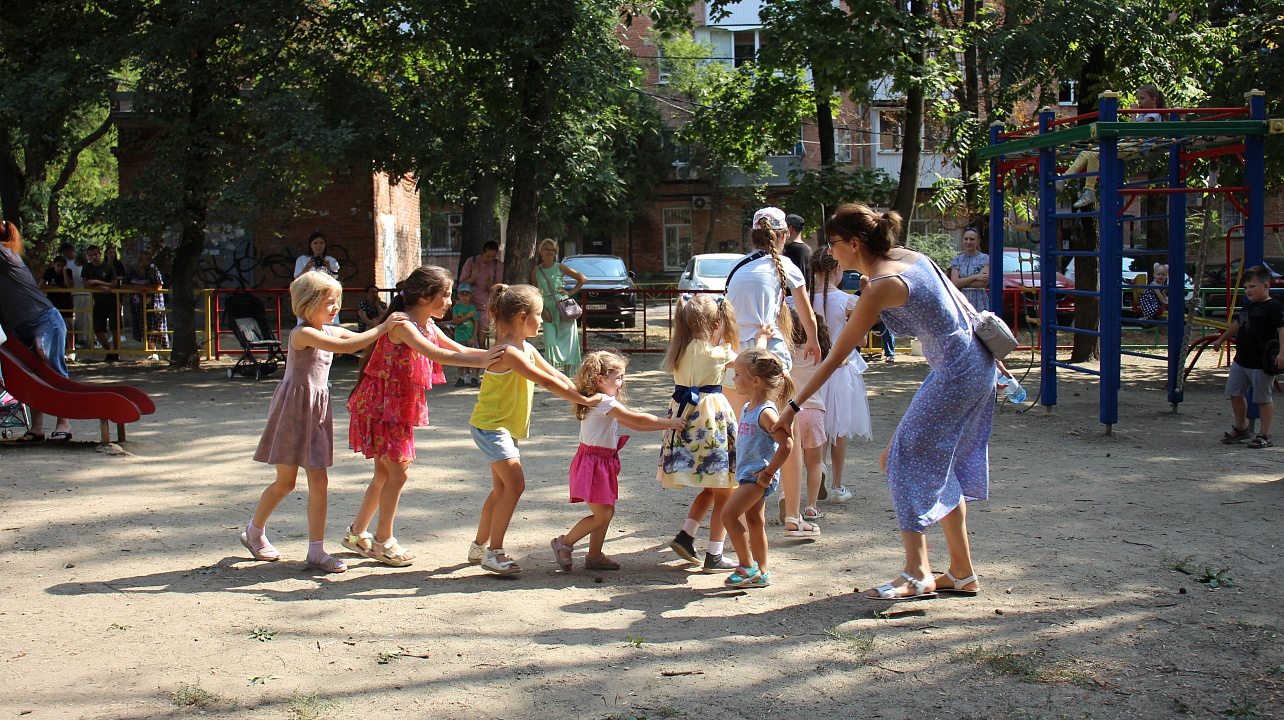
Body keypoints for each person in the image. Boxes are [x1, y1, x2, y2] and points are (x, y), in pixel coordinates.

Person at [776, 202, 992, 601]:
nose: (830, 251)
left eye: (835, 243)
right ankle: (961, 572)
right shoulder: (908, 259)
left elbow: (837, 352)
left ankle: (916, 573)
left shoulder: (880, 285)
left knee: (898, 460)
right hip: (973, 365)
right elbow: (961, 309)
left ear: (855, 244)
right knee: (931, 463)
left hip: (957, 372)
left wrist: (792, 406)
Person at [239, 272, 401, 572]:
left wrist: (392, 319)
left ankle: (316, 550)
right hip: (292, 411)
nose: (336, 306)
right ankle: (254, 531)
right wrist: (384, 327)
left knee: (319, 480)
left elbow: (357, 339)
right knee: (285, 482)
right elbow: (348, 347)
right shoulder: (302, 334)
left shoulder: (329, 329)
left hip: (316, 413)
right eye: (329, 302)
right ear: (308, 303)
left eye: (337, 301)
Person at [341, 266, 502, 567]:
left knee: (385, 474)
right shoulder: (403, 325)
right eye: (445, 296)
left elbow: (457, 349)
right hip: (382, 407)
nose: (449, 302)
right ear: (427, 296)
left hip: (394, 407)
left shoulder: (427, 324)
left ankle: (356, 533)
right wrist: (488, 361)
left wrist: (494, 355)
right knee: (398, 474)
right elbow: (439, 355)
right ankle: (383, 541)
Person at [468, 284, 604, 575]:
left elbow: (555, 374)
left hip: (503, 427)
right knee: (515, 486)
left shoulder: (526, 348)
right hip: (492, 427)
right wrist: (582, 399)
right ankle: (494, 551)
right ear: (521, 316)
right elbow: (547, 383)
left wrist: (584, 390)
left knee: (501, 489)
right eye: (539, 314)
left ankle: (479, 545)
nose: (543, 320)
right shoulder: (508, 353)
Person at [723, 206, 821, 539]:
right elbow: (805, 311)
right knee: (783, 433)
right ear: (783, 236)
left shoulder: (737, 267)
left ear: (751, 236)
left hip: (737, 359)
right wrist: (812, 340)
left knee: (743, 438)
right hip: (768, 357)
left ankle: (740, 511)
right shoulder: (784, 267)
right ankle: (793, 514)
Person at [550, 351, 686, 572]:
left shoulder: (605, 401)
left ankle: (594, 556)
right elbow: (638, 418)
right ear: (600, 380)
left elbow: (636, 425)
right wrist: (670, 423)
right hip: (592, 463)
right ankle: (564, 543)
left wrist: (664, 423)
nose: (622, 383)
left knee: (606, 511)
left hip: (601, 463)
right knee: (603, 513)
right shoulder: (603, 401)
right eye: (619, 377)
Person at [660, 294, 744, 572]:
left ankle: (687, 534)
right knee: (725, 490)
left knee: (712, 486)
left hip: (684, 416)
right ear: (718, 322)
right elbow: (745, 362)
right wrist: (765, 340)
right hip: (711, 421)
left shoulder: (679, 351)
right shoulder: (719, 353)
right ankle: (715, 554)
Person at [720, 348, 795, 588]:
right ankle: (762, 571)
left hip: (757, 478)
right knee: (754, 521)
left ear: (756, 381)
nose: (734, 379)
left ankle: (747, 567)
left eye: (738, 375)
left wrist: (768, 473)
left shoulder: (766, 412)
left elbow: (787, 444)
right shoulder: (748, 407)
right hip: (748, 475)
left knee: (728, 515)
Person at [0, 221, 73, 443]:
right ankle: (37, 428)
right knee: (29, 373)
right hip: (19, 325)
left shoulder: (5, 252)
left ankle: (64, 423)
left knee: (51, 367)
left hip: (43, 318)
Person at [809, 252, 873, 504]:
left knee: (818, 427)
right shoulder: (848, 301)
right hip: (841, 369)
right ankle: (836, 485)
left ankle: (819, 468)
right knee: (839, 428)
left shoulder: (799, 302)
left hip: (813, 370)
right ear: (837, 268)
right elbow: (861, 340)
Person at [1062, 85, 1167, 208]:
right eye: (1138, 98)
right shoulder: (1144, 115)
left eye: (1142, 98)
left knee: (1095, 155)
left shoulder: (1153, 115)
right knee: (1086, 153)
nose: (1139, 102)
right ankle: (1064, 180)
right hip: (1128, 143)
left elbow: (1134, 130)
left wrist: (1133, 113)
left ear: (1153, 100)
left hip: (1137, 147)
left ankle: (1089, 191)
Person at [1214, 265, 1284, 449]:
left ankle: (1265, 434)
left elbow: (1282, 330)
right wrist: (1222, 339)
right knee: (1235, 393)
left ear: (1266, 286)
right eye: (1246, 287)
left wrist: (1282, 353)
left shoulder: (1273, 307)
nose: (1248, 291)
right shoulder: (1248, 305)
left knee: (1263, 398)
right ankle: (1241, 427)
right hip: (1241, 358)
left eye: (1253, 286)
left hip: (1261, 362)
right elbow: (1238, 323)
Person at [786, 307, 831, 524]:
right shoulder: (820, 354)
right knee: (814, 463)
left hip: (791, 412)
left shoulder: (787, 354)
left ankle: (786, 498)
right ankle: (811, 506)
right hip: (814, 411)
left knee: (788, 460)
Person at [531, 239, 586, 375]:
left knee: (568, 341)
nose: (550, 252)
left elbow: (582, 278)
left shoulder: (560, 267)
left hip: (563, 307)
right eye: (547, 249)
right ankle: (552, 374)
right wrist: (543, 310)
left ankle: (567, 374)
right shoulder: (536, 271)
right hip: (546, 307)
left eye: (552, 250)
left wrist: (570, 293)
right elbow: (534, 292)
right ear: (541, 252)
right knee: (550, 341)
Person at [460, 240, 504, 344]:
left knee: (483, 323)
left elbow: (497, 289)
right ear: (483, 252)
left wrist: (489, 283)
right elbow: (462, 284)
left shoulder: (497, 265)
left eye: (493, 257)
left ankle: (482, 347)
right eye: (488, 256)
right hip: (469, 299)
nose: (490, 259)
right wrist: (473, 278)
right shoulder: (472, 262)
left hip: (485, 302)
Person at [80, 245, 119, 362]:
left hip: (111, 301)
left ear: (100, 254)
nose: (94, 257)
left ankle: (116, 353)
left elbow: (114, 284)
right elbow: (86, 284)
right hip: (98, 301)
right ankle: (108, 351)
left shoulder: (109, 268)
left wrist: (97, 282)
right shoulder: (87, 267)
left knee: (115, 328)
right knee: (98, 330)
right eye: (91, 255)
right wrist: (100, 287)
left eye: (95, 254)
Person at [127, 250, 168, 355]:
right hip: (137, 304)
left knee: (156, 326)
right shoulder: (133, 270)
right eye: (140, 259)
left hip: (154, 303)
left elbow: (159, 285)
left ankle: (162, 349)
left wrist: (144, 287)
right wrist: (134, 288)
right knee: (143, 327)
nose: (142, 261)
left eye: (145, 259)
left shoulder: (153, 270)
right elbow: (124, 284)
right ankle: (152, 351)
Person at [949, 227, 990, 312]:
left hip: (980, 300)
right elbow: (955, 283)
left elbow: (982, 283)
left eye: (972, 239)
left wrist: (962, 281)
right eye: (966, 239)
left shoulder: (985, 259)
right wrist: (975, 277)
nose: (968, 242)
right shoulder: (957, 260)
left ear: (978, 241)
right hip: (962, 299)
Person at [41, 255, 74, 355]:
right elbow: (41, 285)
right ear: (53, 265)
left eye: (62, 266)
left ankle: (71, 351)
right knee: (53, 326)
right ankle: (53, 350)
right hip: (53, 303)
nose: (60, 268)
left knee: (69, 326)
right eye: (58, 266)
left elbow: (69, 286)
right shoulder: (49, 272)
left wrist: (64, 272)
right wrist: (57, 288)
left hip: (66, 302)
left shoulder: (68, 272)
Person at [450, 283, 480, 387]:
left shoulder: (473, 309)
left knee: (474, 358)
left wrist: (473, 337)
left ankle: (474, 377)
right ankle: (460, 377)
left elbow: (476, 324)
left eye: (467, 294)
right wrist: (467, 316)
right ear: (458, 295)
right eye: (462, 294)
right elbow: (456, 321)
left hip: (470, 337)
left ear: (470, 296)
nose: (464, 297)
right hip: (459, 337)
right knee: (460, 358)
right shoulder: (456, 308)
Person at [783, 214, 813, 292]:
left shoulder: (786, 248)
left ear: (790, 228)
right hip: (804, 294)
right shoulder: (808, 249)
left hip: (789, 295)